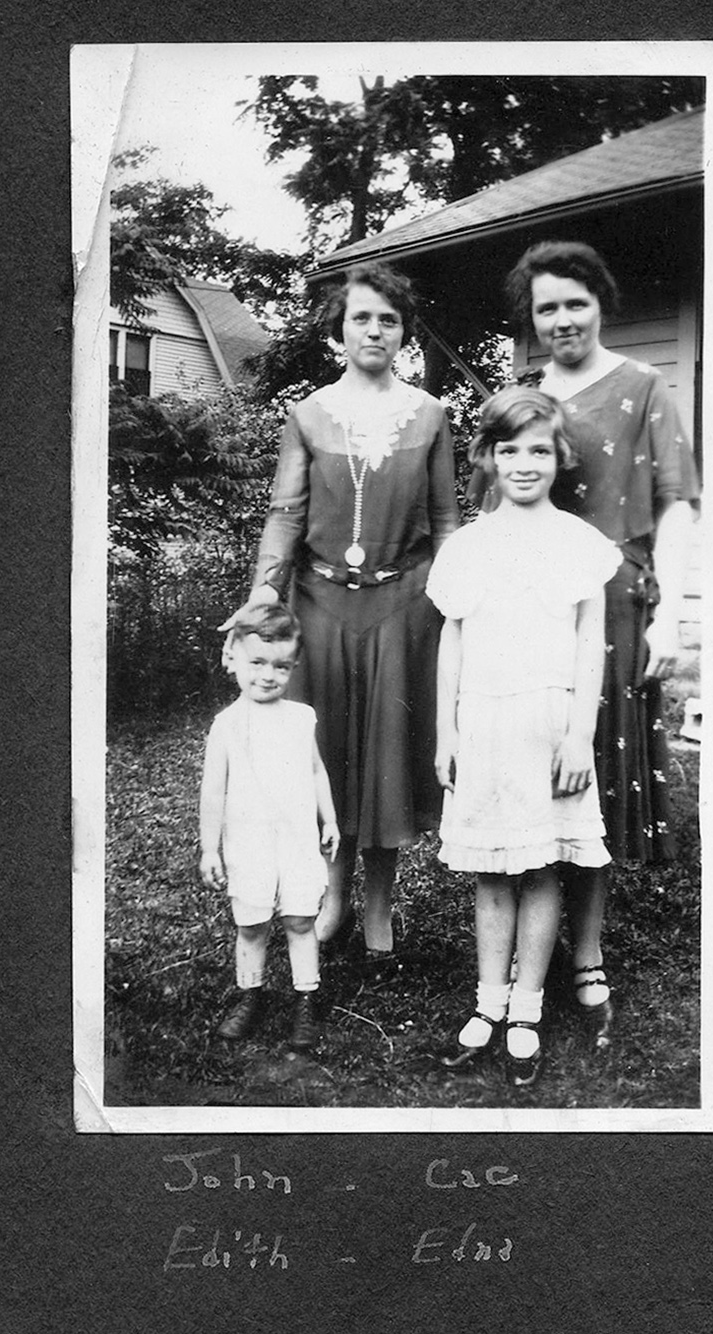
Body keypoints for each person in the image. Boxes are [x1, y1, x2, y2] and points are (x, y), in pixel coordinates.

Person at [225, 262, 459, 972]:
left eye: (388, 319)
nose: (375, 329)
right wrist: (265, 594)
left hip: (403, 604)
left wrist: (458, 605)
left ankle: (380, 901)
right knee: (323, 754)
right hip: (320, 603)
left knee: (388, 754)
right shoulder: (308, 415)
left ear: (403, 332)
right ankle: (331, 898)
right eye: (362, 317)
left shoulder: (430, 415)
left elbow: (448, 519)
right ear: (339, 329)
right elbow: (285, 513)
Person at [502, 239, 700, 1044]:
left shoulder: (645, 387)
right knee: (535, 772)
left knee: (598, 785)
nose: (561, 320)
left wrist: (669, 613)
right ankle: (527, 956)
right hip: (533, 611)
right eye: (546, 308)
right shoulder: (525, 401)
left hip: (617, 609)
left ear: (600, 304)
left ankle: (585, 957)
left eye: (573, 303)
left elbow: (677, 503)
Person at [427, 385, 621, 1088]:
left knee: (540, 866)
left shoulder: (579, 545)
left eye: (540, 449)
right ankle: (488, 1001)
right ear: (488, 456)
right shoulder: (468, 548)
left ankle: (528, 1007)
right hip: (482, 721)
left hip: (548, 725)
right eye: (510, 449)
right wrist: (445, 728)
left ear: (559, 456)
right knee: (491, 871)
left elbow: (589, 641)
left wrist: (579, 734)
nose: (526, 462)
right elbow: (451, 640)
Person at [200, 604, 340, 1048]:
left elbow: (317, 771)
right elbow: (213, 791)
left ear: (294, 666)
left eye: (281, 666)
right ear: (233, 659)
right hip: (249, 843)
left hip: (297, 841)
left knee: (301, 920)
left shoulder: (301, 718)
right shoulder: (226, 726)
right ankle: (251, 994)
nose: (267, 675)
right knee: (252, 924)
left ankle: (306, 999)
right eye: (257, 662)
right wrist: (209, 848)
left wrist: (330, 818)